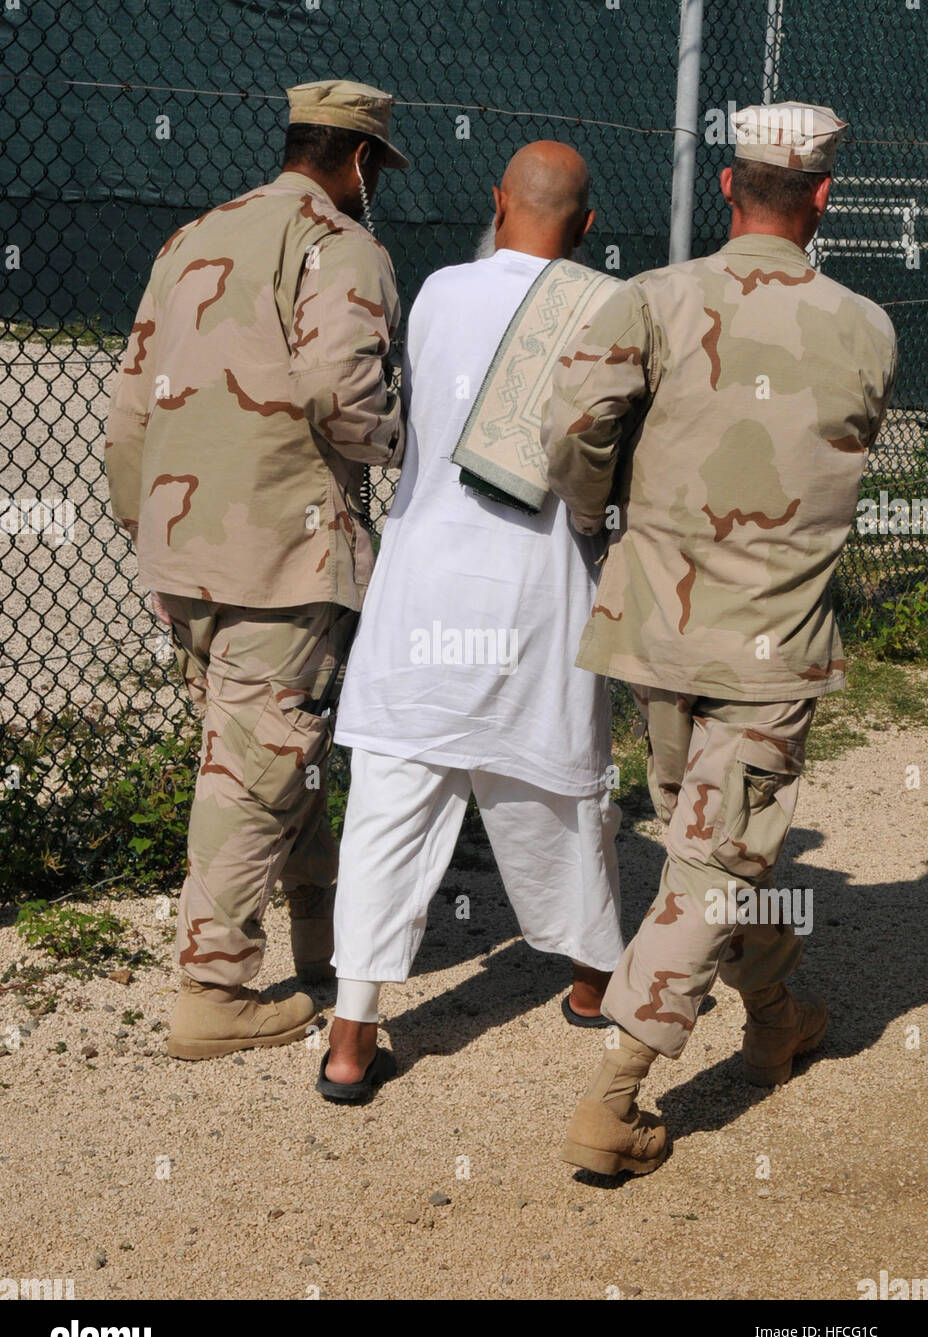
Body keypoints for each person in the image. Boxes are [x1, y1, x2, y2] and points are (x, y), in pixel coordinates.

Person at [542, 102, 897, 1175]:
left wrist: (598, 513)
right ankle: (612, 1102)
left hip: (656, 628)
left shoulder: (647, 298)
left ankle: (776, 1014)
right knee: (714, 861)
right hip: (770, 642)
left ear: (730, 186)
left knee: (711, 853)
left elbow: (575, 429)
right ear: (823, 198)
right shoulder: (866, 325)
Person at [104, 79, 407, 1059]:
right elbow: (338, 390)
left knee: (276, 745)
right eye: (376, 172)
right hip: (284, 545)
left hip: (182, 544)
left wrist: (144, 521)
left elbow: (129, 405)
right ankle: (212, 987)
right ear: (358, 160)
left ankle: (320, 938)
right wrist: (407, 440)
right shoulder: (341, 244)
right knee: (256, 760)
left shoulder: (190, 237)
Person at [316, 141, 625, 1102]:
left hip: (425, 584)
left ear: (496, 203)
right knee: (562, 792)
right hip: (537, 590)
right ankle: (590, 980)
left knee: (387, 812)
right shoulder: (611, 306)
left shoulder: (441, 291)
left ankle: (350, 1041)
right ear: (587, 227)